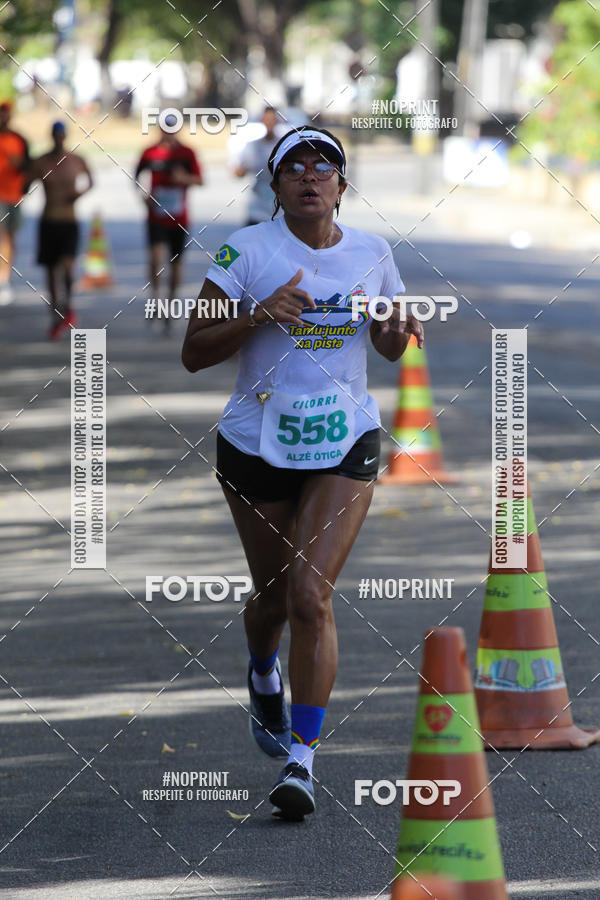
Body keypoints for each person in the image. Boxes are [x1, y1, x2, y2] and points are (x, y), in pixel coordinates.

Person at [182, 126, 423, 820]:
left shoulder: (373, 253)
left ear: (342, 186)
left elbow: (384, 343)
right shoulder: (246, 251)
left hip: (344, 438)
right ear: (276, 184)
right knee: (273, 596)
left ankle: (302, 761)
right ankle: (263, 669)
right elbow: (195, 351)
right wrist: (259, 315)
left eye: (325, 168)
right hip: (256, 443)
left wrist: (395, 329)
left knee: (311, 596)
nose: (310, 177)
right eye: (295, 167)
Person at [134, 115, 203, 333]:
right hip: (156, 216)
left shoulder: (186, 153)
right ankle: (155, 298)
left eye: (172, 128)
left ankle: (170, 304)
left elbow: (200, 180)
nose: (168, 133)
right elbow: (136, 176)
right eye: (165, 128)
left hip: (179, 218)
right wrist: (142, 195)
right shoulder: (150, 152)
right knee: (155, 258)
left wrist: (184, 179)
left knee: (176, 265)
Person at [26, 121, 93, 338]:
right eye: (55, 135)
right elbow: (25, 185)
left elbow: (91, 180)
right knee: (51, 270)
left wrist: (79, 194)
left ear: (65, 136)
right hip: (49, 220)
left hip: (69, 221)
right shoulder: (42, 162)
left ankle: (68, 306)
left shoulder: (76, 160)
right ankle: (56, 313)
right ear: (51, 136)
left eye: (61, 135)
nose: (58, 138)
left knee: (67, 265)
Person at [0, 101, 29, 304]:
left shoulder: (19, 140)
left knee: (10, 238)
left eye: (5, 114)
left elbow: (30, 166)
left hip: (14, 196)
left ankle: (5, 276)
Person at [234, 106, 283, 225]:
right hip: (257, 205)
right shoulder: (252, 146)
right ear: (262, 120)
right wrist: (240, 170)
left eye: (272, 120)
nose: (269, 123)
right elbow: (239, 171)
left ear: (277, 121)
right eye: (267, 119)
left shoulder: (283, 146)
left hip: (280, 208)